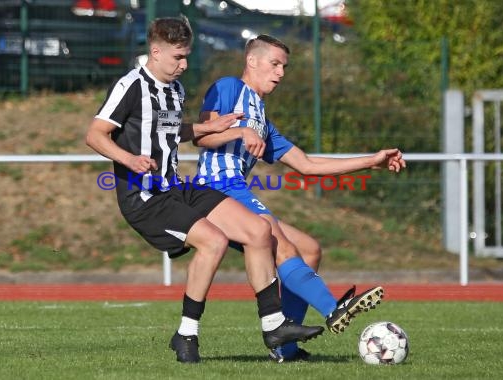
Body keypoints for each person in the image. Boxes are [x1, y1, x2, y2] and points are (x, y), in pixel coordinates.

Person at [85, 19, 325, 364]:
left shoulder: (174, 90)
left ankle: (275, 326)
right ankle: (186, 334)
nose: (183, 65)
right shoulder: (131, 85)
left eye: (186, 57)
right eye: (178, 58)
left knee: (259, 230)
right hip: (144, 196)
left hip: (176, 188)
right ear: (156, 52)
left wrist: (207, 127)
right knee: (214, 241)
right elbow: (95, 134)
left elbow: (169, 130)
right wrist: (129, 159)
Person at [193, 34, 407, 362]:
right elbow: (203, 137)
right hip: (217, 188)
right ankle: (333, 309)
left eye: (284, 67)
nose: (280, 72)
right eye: (274, 64)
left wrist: (371, 161)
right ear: (252, 61)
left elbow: (306, 164)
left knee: (309, 249)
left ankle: (286, 348)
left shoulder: (261, 117)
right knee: (285, 247)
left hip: (236, 191)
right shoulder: (228, 88)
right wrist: (240, 131)